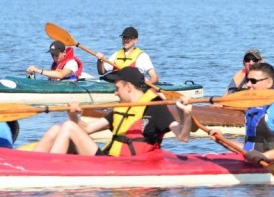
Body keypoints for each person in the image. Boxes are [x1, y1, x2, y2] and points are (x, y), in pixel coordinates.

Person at [33, 67, 192, 156]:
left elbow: (183, 137)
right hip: (108, 159)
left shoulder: (156, 107)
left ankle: (49, 168)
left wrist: (186, 114)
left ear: (128, 87)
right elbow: (87, 129)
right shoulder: (121, 108)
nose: (115, 93)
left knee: (68, 126)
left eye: (117, 88)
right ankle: (28, 165)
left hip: (125, 165)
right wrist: (74, 116)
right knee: (56, 128)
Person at [210, 62, 274, 162]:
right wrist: (222, 140)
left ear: (269, 83)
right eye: (247, 80)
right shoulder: (253, 109)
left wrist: (263, 157)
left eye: (253, 81)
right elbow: (247, 148)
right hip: (254, 163)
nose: (247, 84)